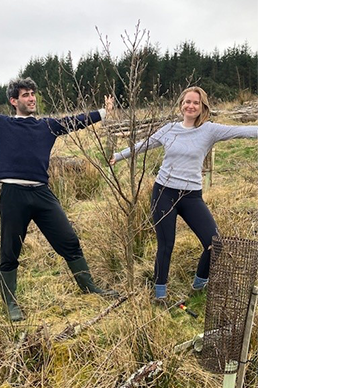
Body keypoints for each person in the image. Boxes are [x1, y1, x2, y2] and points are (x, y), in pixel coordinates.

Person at [0, 69, 119, 322]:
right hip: (13, 195)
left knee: (69, 240)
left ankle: (89, 287)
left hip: (42, 194)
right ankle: (11, 303)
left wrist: (103, 112)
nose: (32, 98)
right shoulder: (1, 123)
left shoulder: (48, 126)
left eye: (33, 94)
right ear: (14, 101)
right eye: (26, 95)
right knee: (10, 251)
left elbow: (76, 120)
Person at [109, 86, 257, 301]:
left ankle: (199, 284)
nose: (191, 105)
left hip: (191, 196)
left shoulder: (210, 130)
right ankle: (159, 294)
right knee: (166, 244)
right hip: (164, 193)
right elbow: (144, 145)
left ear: (202, 107)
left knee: (214, 243)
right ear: (181, 105)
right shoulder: (169, 129)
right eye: (187, 101)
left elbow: (243, 131)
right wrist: (118, 155)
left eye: (196, 102)